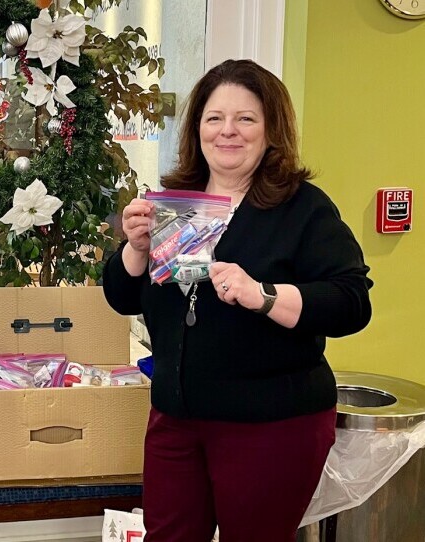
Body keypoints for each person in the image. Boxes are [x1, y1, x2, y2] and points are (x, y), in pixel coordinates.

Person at [102, 59, 372, 542]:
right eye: (214, 118)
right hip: (176, 419)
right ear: (197, 129)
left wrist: (262, 295)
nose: (228, 131)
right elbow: (122, 298)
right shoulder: (175, 202)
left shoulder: (301, 208)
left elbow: (351, 302)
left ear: (272, 131)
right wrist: (135, 248)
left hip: (272, 425)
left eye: (246, 118)